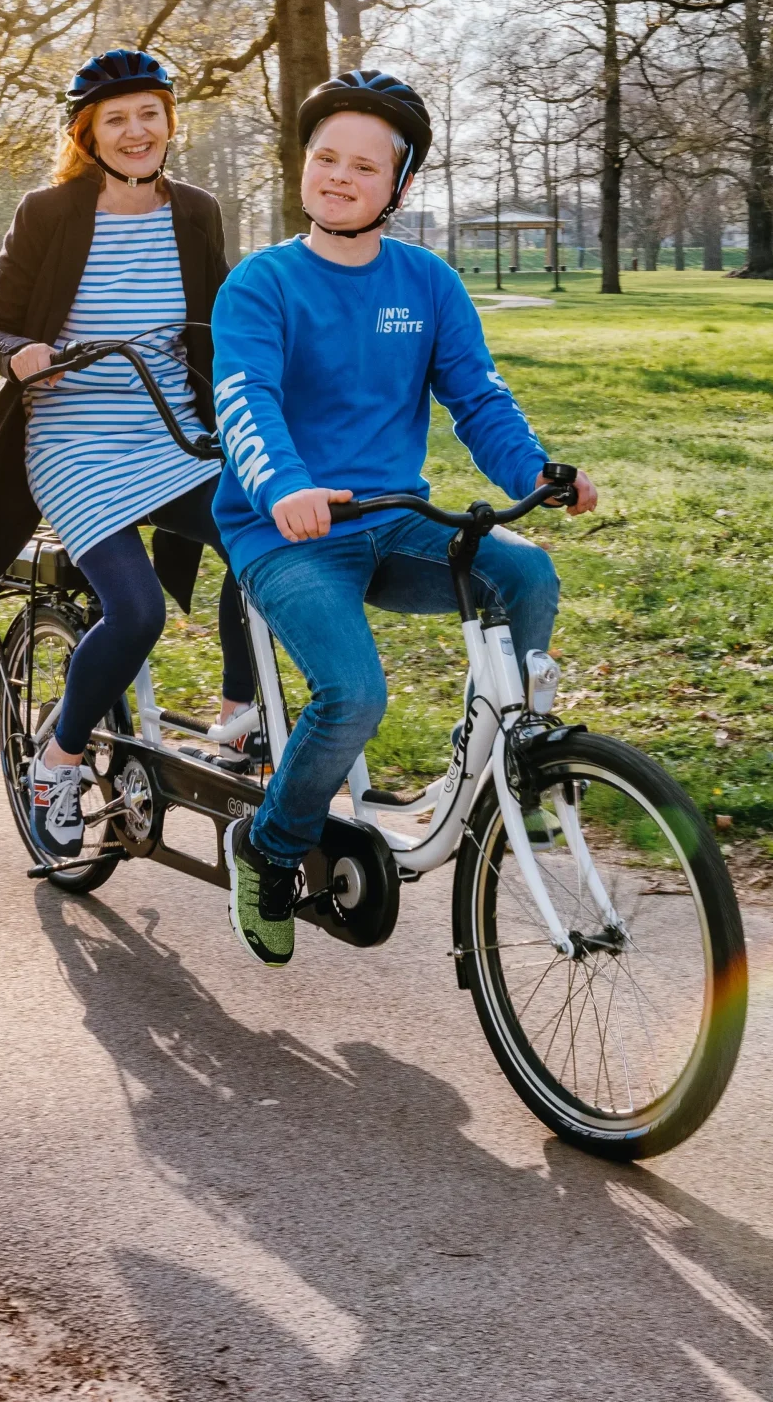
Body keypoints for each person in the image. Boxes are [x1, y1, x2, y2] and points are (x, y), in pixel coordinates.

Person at [208, 70, 598, 966]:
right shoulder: (262, 284)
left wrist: (537, 471)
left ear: (399, 186)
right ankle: (268, 849)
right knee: (354, 695)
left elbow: (479, 397)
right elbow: (245, 403)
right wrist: (285, 488)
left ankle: (502, 765)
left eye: (363, 165)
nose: (338, 177)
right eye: (324, 158)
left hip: (396, 518)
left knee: (525, 569)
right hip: (286, 530)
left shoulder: (426, 282)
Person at [0, 49, 255, 856]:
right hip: (74, 437)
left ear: (168, 122)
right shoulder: (48, 213)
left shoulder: (196, 210)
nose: (135, 131)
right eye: (115, 119)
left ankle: (236, 722)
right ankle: (58, 758)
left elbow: (221, 321)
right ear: (87, 133)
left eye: (148, 113)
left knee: (266, 544)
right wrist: (18, 352)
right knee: (138, 610)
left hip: (170, 431)